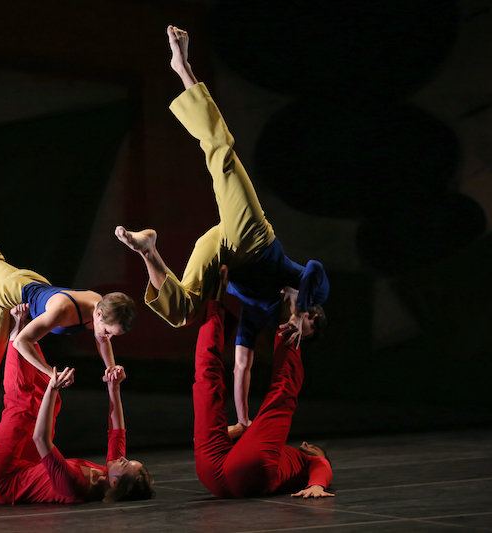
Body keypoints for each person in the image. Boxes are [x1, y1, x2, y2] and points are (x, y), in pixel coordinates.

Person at [115, 26, 328, 437]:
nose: (293, 327)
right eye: (304, 324)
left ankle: (148, 250)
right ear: (310, 314)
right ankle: (184, 69)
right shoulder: (307, 285)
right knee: (223, 158)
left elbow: (243, 364)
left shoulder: (262, 315)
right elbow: (316, 266)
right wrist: (304, 306)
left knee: (180, 313)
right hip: (253, 237)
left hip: (221, 254)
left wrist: (243, 419)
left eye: (298, 332)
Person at [0, 193, 135, 380]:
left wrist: (111, 366)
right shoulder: (63, 311)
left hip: (30, 280)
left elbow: (102, 340)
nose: (107, 337)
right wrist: (51, 374)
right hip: (11, 294)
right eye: (108, 331)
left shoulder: (100, 303)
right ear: (99, 315)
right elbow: (21, 342)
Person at [0, 304, 155, 504]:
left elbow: (41, 439)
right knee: (52, 405)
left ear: (115, 484)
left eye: (125, 464)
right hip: (29, 465)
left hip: (1, 479)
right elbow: (117, 432)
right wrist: (114, 388)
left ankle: (16, 335)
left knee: (23, 409)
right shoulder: (109, 471)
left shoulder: (75, 486)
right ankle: (27, 341)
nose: (123, 458)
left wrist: (53, 388)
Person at [192, 266, 333, 499]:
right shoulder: (285, 455)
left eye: (316, 449)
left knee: (283, 393)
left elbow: (322, 465)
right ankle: (216, 304)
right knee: (206, 385)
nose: (307, 443)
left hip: (246, 470)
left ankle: (281, 319)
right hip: (213, 478)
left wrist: (317, 485)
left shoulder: (311, 460)